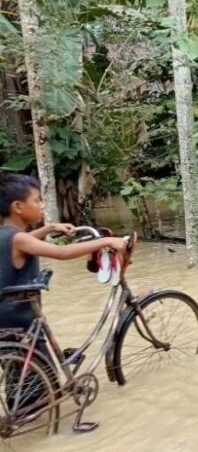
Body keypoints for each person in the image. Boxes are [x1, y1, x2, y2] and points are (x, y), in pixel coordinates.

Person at [1, 174, 127, 408]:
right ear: (18, 207)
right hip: (20, 319)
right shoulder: (19, 239)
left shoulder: (7, 236)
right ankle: (41, 418)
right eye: (37, 200)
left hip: (5, 319)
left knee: (22, 373)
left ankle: (25, 412)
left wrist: (50, 227)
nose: (41, 205)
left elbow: (26, 240)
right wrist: (106, 242)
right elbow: (62, 253)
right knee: (46, 381)